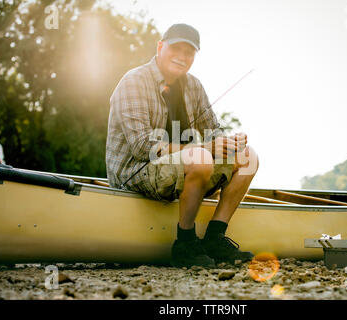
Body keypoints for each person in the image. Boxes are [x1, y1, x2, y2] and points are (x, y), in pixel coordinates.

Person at [106, 23, 259, 268]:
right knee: (200, 157)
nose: (182, 57)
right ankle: (185, 243)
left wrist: (229, 143)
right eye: (175, 48)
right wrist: (203, 150)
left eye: (189, 52)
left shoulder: (194, 86)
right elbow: (141, 147)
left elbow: (213, 131)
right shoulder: (133, 81)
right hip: (135, 172)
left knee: (248, 157)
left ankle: (214, 238)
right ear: (160, 47)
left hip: (185, 166)